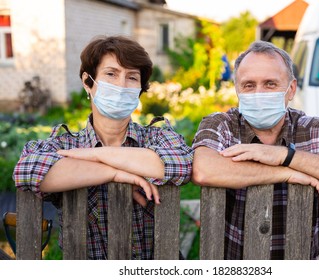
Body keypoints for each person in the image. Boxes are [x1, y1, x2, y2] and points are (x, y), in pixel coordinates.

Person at [13, 35, 193, 260]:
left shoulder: (156, 136)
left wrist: (96, 154)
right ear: (88, 82)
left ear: (140, 88)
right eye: (111, 74)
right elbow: (26, 170)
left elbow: (181, 164)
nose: (121, 85)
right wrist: (116, 173)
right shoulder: (65, 144)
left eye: (132, 77)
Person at [191, 40, 319, 260]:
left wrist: (284, 155)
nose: (259, 93)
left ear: (291, 89)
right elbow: (203, 169)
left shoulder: (316, 129)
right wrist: (287, 172)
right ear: (237, 89)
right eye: (249, 85)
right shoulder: (221, 124)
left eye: (270, 84)